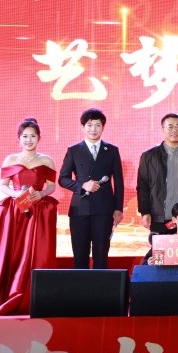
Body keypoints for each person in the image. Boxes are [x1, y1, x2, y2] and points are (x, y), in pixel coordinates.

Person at [0, 118, 57, 316]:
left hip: (37, 212)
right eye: (25, 136)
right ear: (19, 138)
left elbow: (52, 186)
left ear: (39, 138)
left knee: (35, 252)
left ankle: (32, 294)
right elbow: (3, 185)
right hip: (14, 211)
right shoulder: (10, 159)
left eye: (33, 136)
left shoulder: (46, 160)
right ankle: (5, 291)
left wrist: (42, 194)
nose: (29, 140)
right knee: (11, 251)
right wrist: (16, 194)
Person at [58, 108, 124, 270]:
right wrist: (82, 185)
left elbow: (119, 182)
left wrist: (118, 209)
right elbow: (62, 179)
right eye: (89, 125)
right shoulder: (74, 150)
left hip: (104, 211)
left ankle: (101, 286)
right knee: (80, 256)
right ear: (82, 127)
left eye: (98, 125)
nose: (93, 129)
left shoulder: (112, 150)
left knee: (101, 256)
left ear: (103, 127)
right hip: (80, 210)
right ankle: (81, 287)